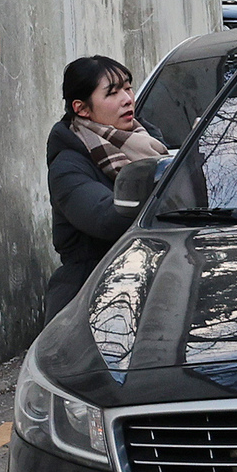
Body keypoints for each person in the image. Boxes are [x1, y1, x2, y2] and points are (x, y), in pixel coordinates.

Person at [44, 55, 167, 323]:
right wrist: (163, 188)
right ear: (82, 108)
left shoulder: (148, 143)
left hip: (154, 289)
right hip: (88, 302)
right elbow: (105, 218)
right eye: (112, 93)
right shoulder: (68, 165)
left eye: (127, 87)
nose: (127, 98)